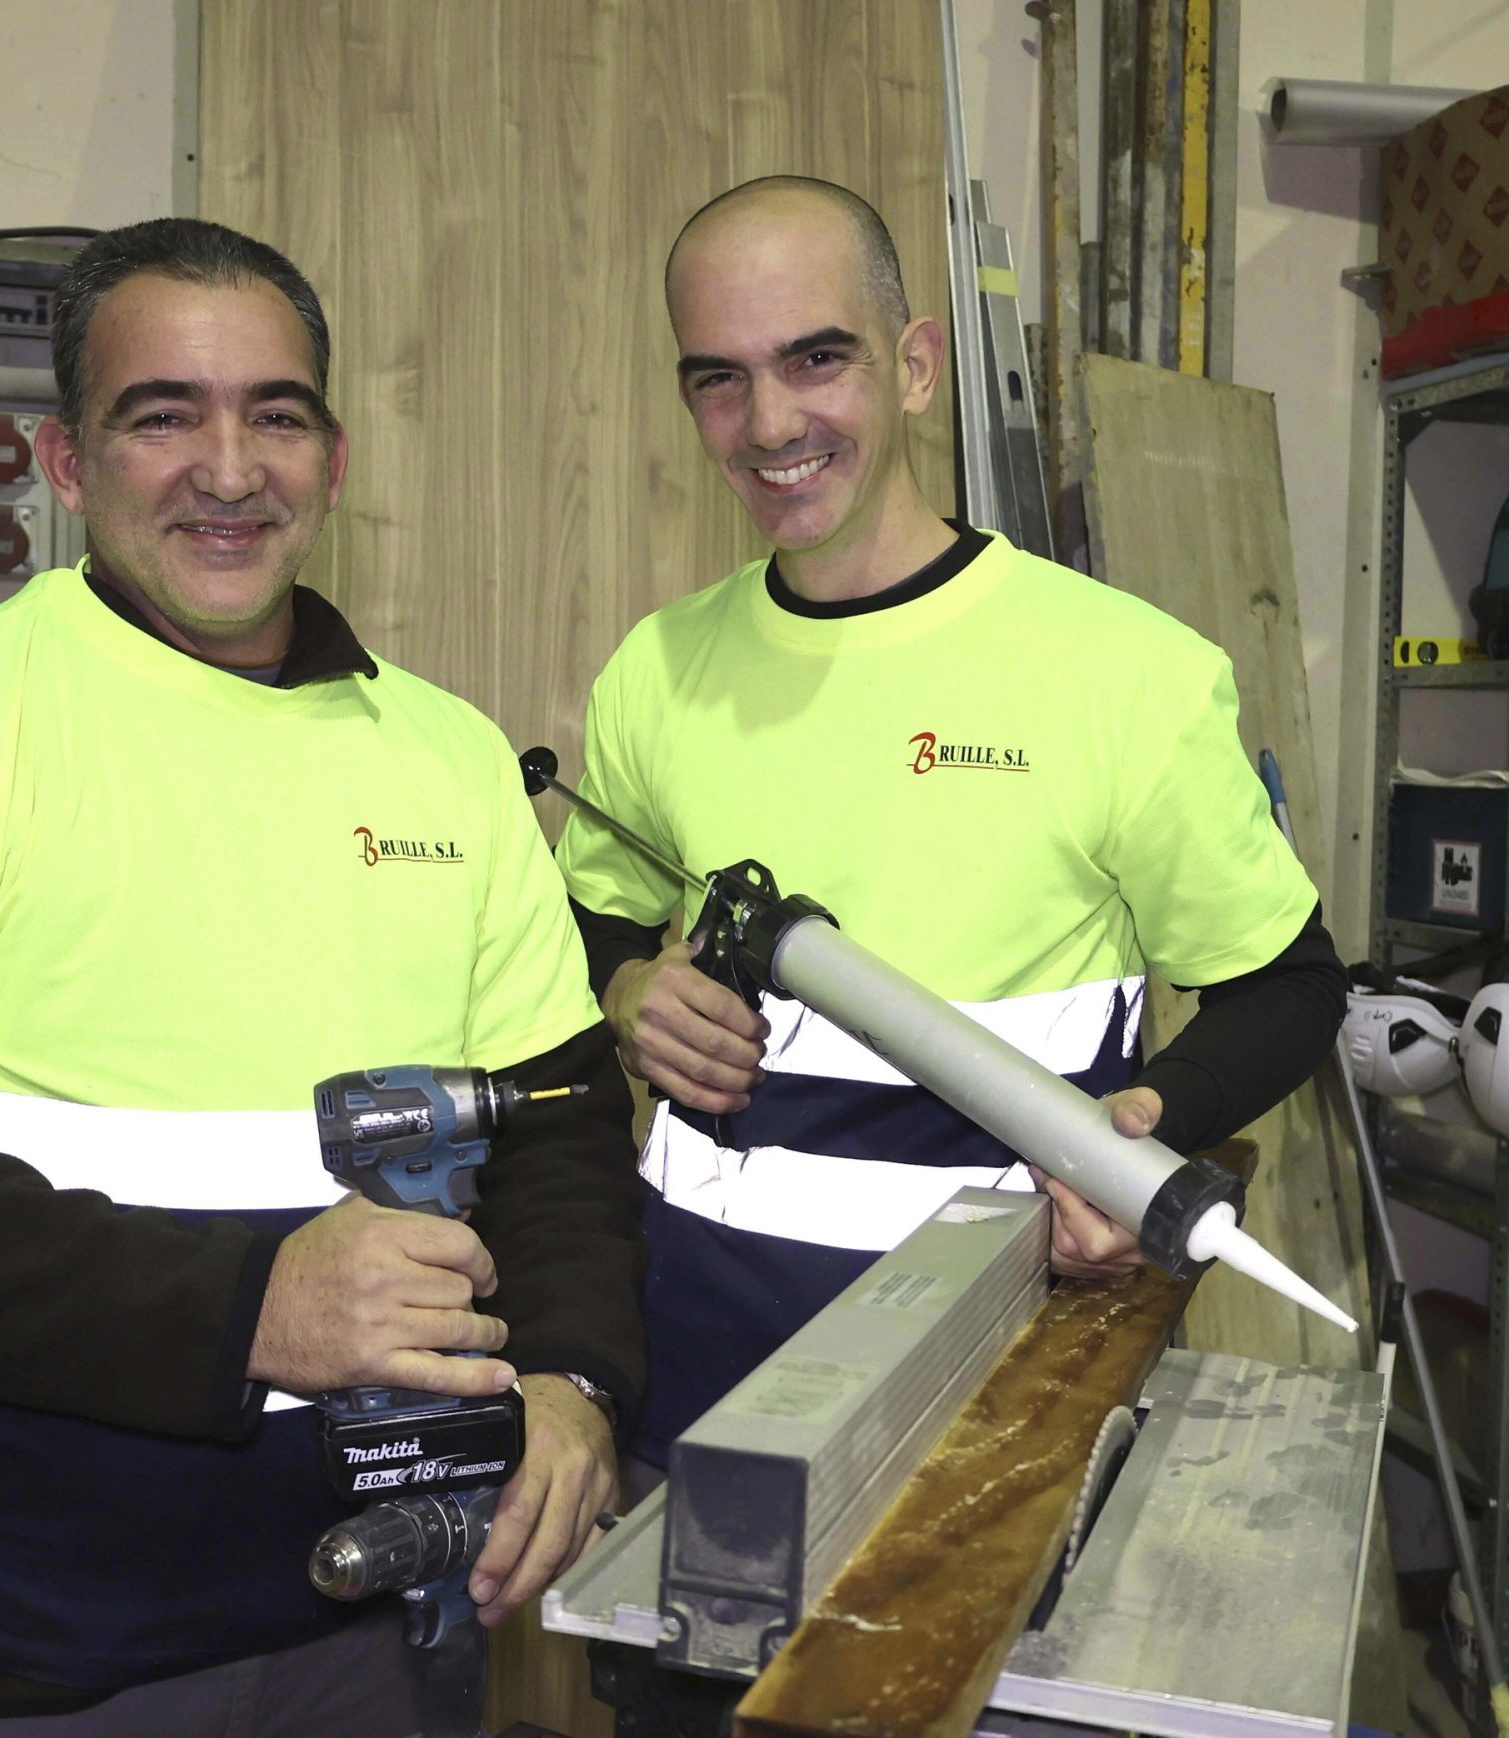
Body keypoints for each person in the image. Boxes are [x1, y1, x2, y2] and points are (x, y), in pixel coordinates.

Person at [0, 218, 641, 1736]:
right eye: (164, 415)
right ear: (68, 463)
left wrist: (579, 1378)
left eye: (274, 413)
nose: (228, 467)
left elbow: (558, 1123)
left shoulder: (450, 760)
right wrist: (249, 1307)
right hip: (11, 1647)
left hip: (384, 1626)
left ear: (334, 461)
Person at [556, 177, 1350, 1474]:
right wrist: (633, 981)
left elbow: (1293, 991)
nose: (769, 423)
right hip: (692, 1365)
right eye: (719, 379)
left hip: (995, 1380)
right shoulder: (660, 669)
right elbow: (584, 929)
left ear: (916, 364)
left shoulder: (1122, 673)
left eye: (817, 360)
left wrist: (1149, 1120)